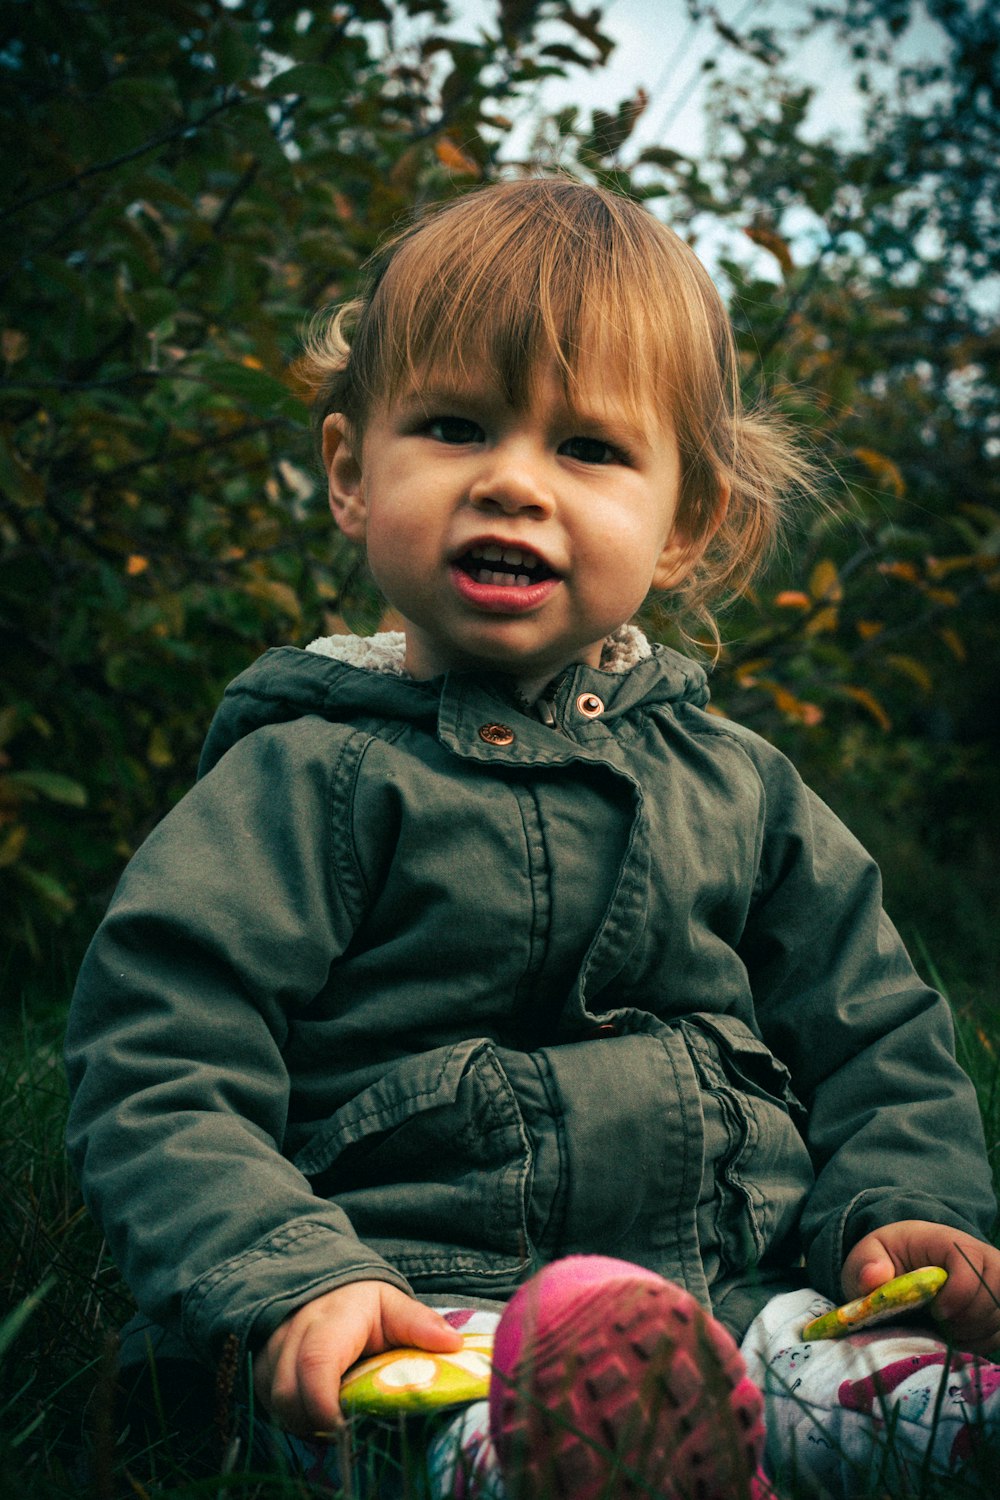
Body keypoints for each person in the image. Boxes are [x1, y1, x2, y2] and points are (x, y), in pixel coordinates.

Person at [65, 178, 1000, 1499]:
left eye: (589, 449)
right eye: (453, 427)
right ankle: (549, 1456)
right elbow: (161, 1059)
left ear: (688, 526)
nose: (510, 479)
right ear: (350, 472)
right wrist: (291, 1275)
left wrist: (906, 1211)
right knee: (433, 1430)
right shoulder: (304, 779)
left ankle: (829, 1418)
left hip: (748, 1287)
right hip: (418, 1308)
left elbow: (876, 1032)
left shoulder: (742, 788)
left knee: (902, 1391)